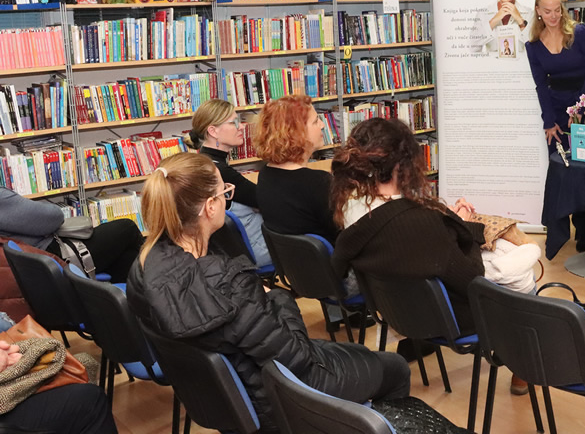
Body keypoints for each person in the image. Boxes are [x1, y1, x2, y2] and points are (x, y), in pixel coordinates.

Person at [126, 153, 410, 434]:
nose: (227, 198)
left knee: (357, 353)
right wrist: (277, 297)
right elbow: (298, 359)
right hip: (279, 400)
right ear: (210, 207)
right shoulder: (230, 287)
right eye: (225, 192)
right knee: (395, 367)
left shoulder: (143, 269)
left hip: (233, 402)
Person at [330, 118, 537, 395]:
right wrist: (467, 227)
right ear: (401, 165)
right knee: (524, 268)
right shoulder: (421, 222)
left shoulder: (350, 208)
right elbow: (472, 277)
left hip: (396, 311)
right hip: (448, 319)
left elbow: (409, 245)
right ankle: (524, 364)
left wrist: (450, 221)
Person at [525, 0, 585, 252]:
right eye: (547, 11)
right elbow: (541, 85)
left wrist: (579, 110)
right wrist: (549, 121)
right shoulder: (533, 46)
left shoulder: (580, 33)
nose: (553, 16)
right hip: (556, 110)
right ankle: (559, 234)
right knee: (561, 171)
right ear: (538, 11)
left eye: (557, 10)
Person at [0, 186, 143, 283]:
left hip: (31, 262)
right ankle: (147, 292)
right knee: (127, 228)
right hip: (51, 257)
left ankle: (127, 306)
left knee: (124, 256)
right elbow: (53, 217)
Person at [189, 99, 269, 267]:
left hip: (232, 253)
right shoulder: (219, 171)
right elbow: (266, 201)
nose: (241, 127)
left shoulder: (203, 162)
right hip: (256, 250)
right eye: (234, 123)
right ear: (213, 131)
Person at [254, 95, 337, 243]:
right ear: (297, 133)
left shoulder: (265, 174)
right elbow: (342, 233)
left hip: (293, 257)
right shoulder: (318, 182)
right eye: (315, 121)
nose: (322, 125)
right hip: (331, 255)